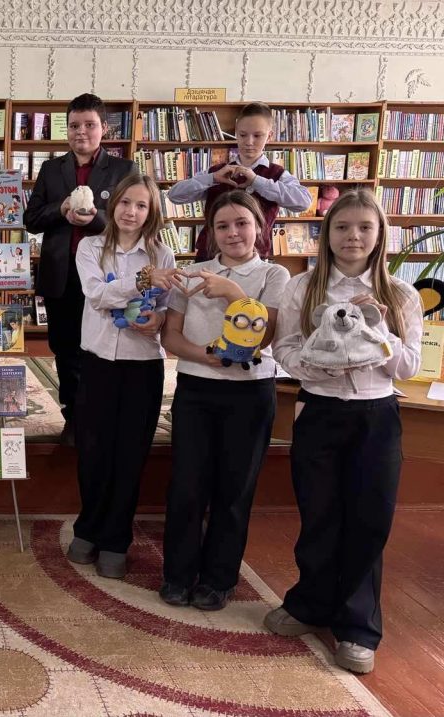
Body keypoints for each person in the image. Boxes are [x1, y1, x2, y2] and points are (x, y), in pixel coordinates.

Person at [266, 189, 422, 674]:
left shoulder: (400, 294)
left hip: (376, 417)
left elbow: (409, 366)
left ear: (380, 235)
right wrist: (314, 366)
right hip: (320, 410)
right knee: (319, 512)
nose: (353, 236)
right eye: (342, 227)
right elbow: (283, 349)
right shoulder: (302, 287)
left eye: (364, 228)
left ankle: (357, 627)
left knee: (369, 519)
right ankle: (310, 602)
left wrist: (379, 331)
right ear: (326, 233)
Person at [159, 190, 289, 611]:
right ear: (210, 233)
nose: (233, 233)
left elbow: (265, 336)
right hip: (197, 388)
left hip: (251, 393)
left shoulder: (274, 275)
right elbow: (171, 335)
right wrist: (209, 356)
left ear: (259, 227)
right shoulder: (193, 274)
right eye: (222, 226)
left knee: (235, 488)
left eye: (242, 223)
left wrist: (233, 292)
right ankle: (178, 574)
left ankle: (218, 579)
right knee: (187, 485)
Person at [65, 175, 180, 578]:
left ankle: (116, 539)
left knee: (131, 454)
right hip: (97, 362)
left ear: (152, 212)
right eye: (126, 202)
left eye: (141, 205)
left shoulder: (163, 254)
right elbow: (96, 294)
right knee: (93, 450)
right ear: (112, 204)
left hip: (142, 365)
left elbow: (167, 307)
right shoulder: (91, 247)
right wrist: (142, 281)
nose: (131, 211)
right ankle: (88, 528)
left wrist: (159, 319)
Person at [26, 93, 138, 446]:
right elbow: (31, 219)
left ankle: (102, 415)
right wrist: (60, 210)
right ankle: (73, 416)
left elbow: (134, 219)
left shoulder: (124, 170)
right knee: (66, 349)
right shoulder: (51, 169)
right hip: (62, 275)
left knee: (103, 347)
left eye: (89, 125)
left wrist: (94, 220)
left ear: (104, 128)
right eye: (74, 125)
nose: (81, 132)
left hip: (106, 276)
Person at [167, 102, 312, 261]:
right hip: (210, 256)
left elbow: (304, 202)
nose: (249, 142)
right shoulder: (217, 172)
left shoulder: (277, 174)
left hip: (254, 260)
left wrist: (257, 181)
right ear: (236, 133)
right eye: (243, 135)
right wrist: (212, 178)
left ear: (269, 136)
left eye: (257, 136)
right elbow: (174, 195)